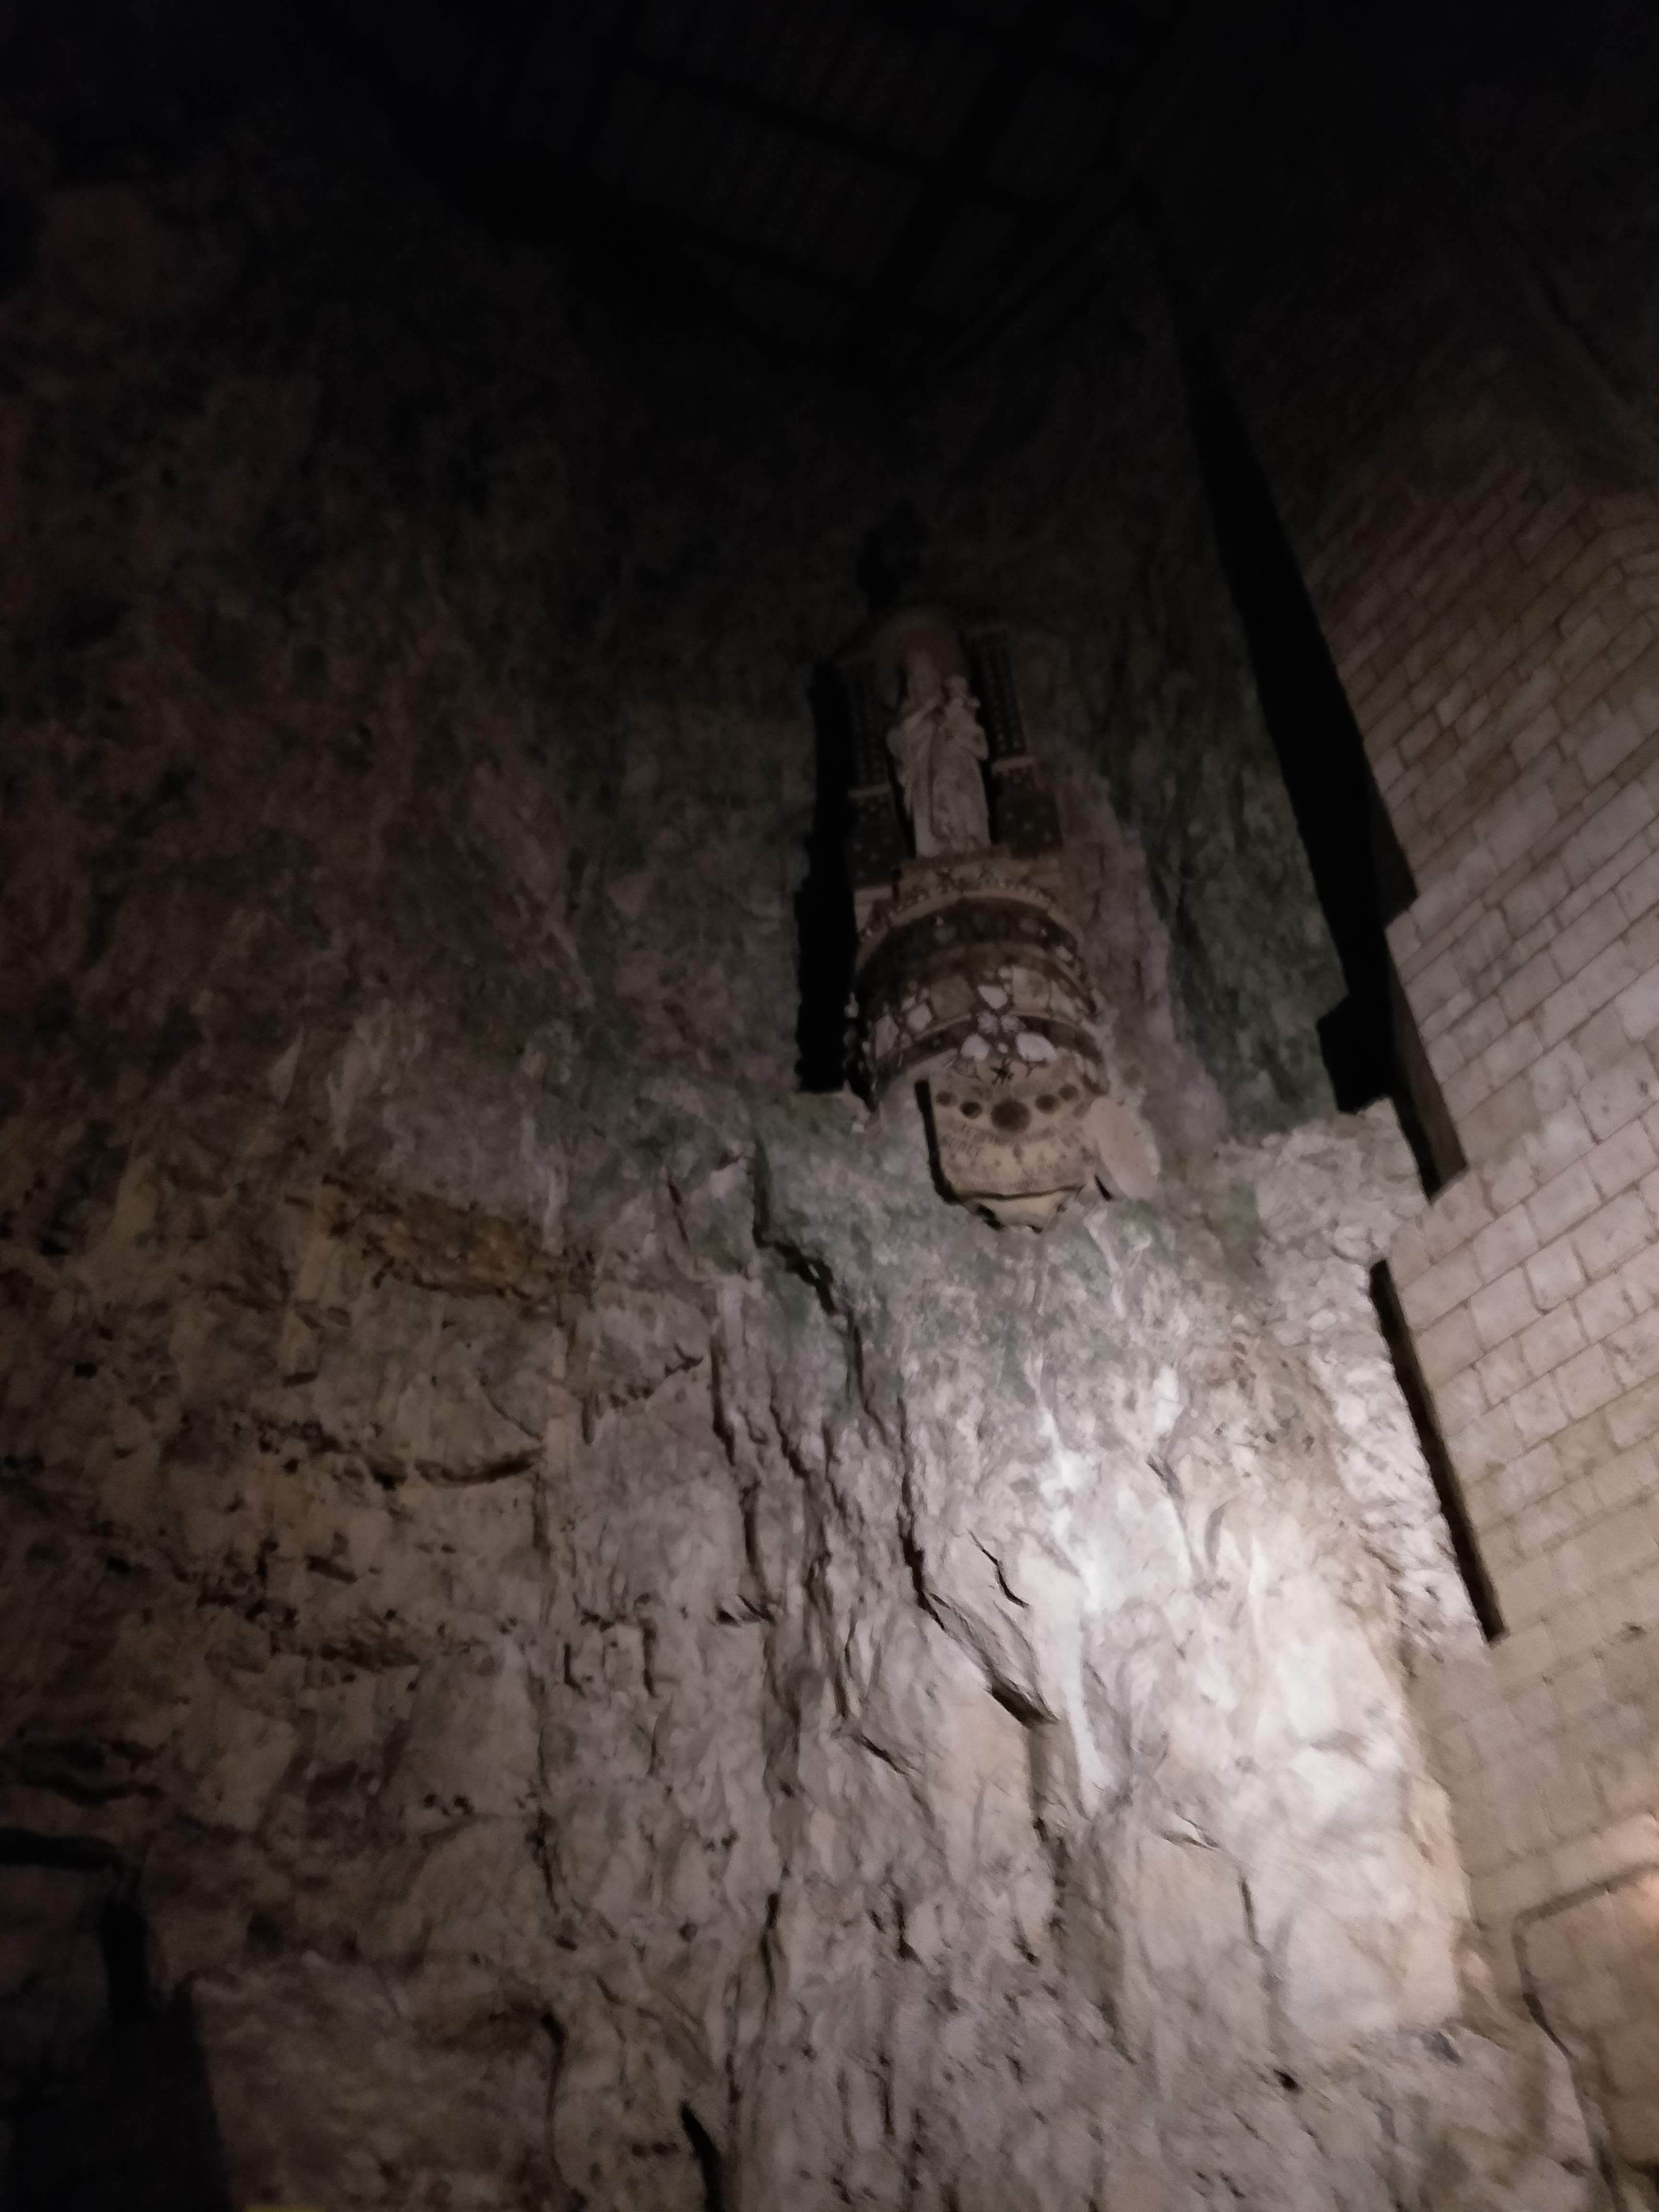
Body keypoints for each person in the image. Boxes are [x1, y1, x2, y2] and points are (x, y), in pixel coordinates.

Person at [886, 651, 990, 856]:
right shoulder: (909, 714)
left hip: (957, 769)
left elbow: (972, 737)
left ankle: (968, 842)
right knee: (934, 809)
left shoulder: (952, 707)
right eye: (920, 679)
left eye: (929, 677)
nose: (926, 683)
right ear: (912, 685)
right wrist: (926, 711)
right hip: (924, 773)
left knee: (961, 804)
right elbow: (900, 740)